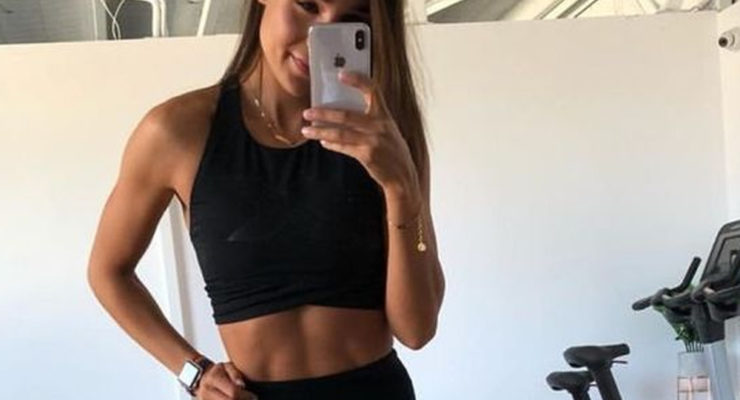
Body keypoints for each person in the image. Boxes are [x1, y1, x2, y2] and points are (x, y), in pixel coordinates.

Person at [86, 0, 445, 398]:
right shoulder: (176, 131)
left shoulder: (385, 136)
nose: (320, 34)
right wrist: (194, 372)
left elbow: (417, 329)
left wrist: (401, 189)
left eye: (351, 20)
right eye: (307, 5)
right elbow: (108, 272)